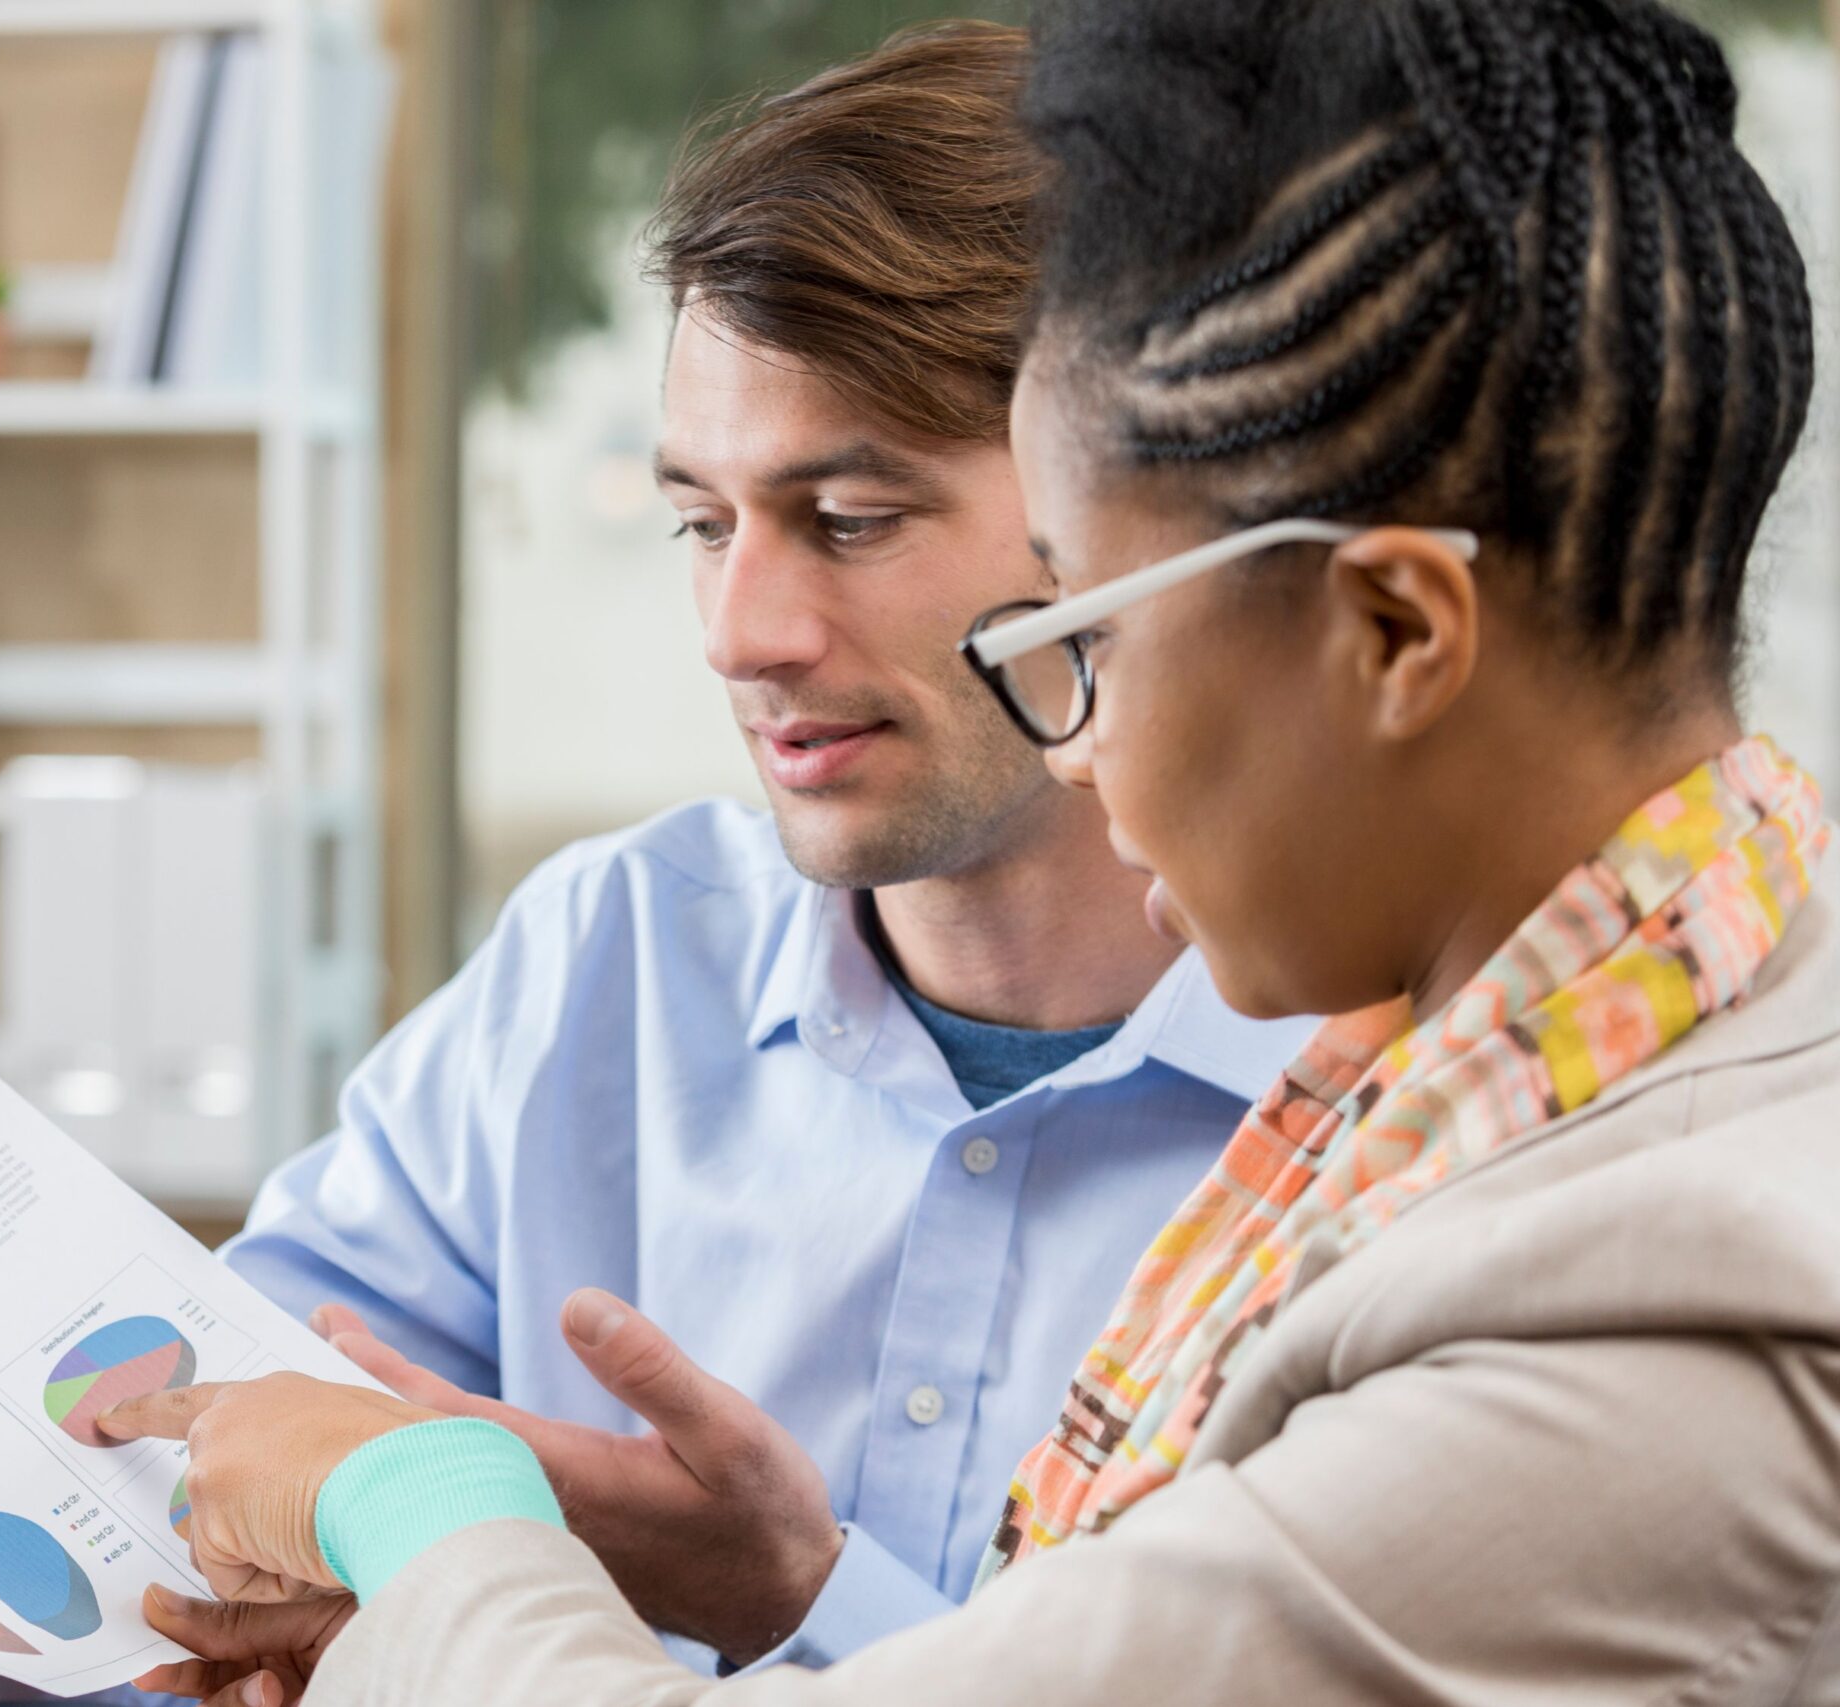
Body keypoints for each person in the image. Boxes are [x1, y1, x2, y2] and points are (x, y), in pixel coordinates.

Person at [101, 0, 1840, 1702]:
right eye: (701, 524)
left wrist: (416, 1511)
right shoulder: (1507, 1077)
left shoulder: (1655, 1305)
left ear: (1394, 635)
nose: (1072, 729)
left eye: (1091, 634)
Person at [0, 24, 1310, 1702]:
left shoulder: (1404, 1105)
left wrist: (788, 1597)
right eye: (703, 523)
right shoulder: (608, 961)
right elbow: (130, 1574)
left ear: (1133, 510)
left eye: (851, 521)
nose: (742, 631)